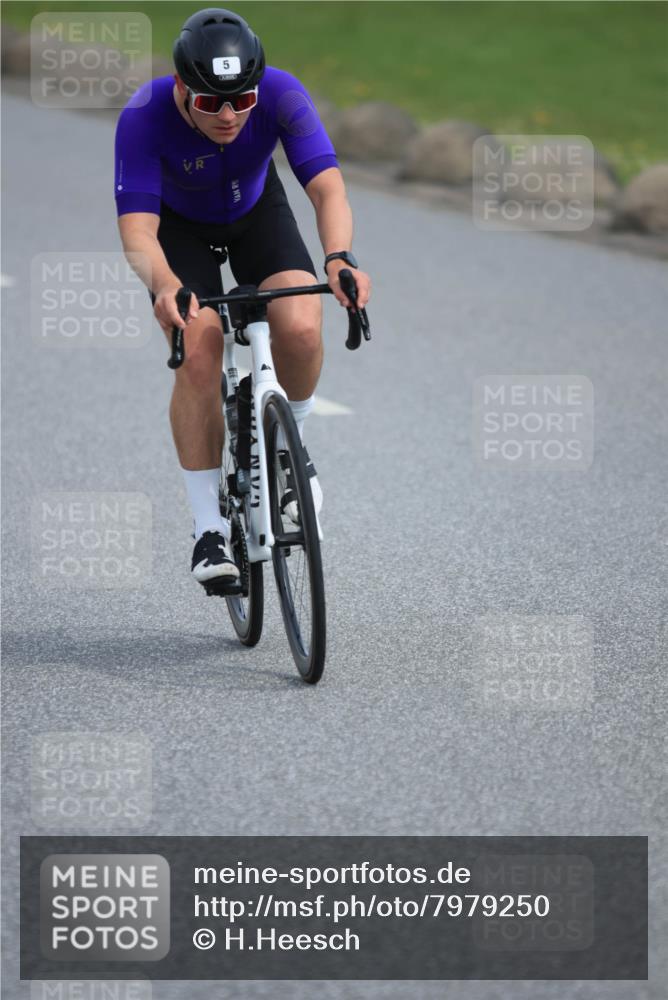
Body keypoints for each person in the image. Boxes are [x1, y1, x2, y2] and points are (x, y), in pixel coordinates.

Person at [114, 7, 371, 588]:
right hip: (178, 230)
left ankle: (290, 451)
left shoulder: (283, 94)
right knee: (199, 348)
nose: (229, 116)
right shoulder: (144, 115)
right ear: (182, 88)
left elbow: (327, 188)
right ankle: (208, 529)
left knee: (302, 325)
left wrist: (338, 257)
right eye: (210, 103)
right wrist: (165, 285)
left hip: (257, 213)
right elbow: (137, 229)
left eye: (242, 101)